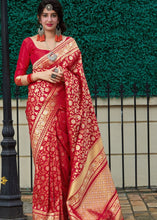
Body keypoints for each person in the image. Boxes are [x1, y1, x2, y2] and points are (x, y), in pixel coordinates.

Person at [14, 0, 124, 219]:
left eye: (53, 15)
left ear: (58, 19)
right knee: (45, 163)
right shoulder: (29, 43)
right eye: (45, 15)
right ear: (39, 18)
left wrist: (66, 76)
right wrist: (40, 75)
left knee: (66, 162)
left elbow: (80, 79)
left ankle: (66, 210)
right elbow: (17, 78)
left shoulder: (70, 44)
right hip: (39, 113)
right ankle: (46, 214)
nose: (49, 19)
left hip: (66, 111)